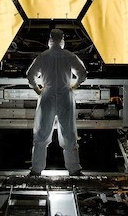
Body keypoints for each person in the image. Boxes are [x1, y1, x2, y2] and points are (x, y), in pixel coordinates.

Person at [26, 29, 87, 176]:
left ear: (50, 40)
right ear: (62, 40)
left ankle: (36, 169)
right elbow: (82, 73)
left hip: (47, 95)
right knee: (69, 133)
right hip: (65, 95)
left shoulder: (43, 56)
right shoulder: (69, 56)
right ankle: (74, 169)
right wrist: (75, 84)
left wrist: (37, 88)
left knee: (41, 132)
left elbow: (30, 75)